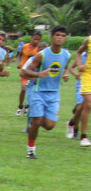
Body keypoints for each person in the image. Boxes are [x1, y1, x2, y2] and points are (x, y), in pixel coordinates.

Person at [21, 25, 70, 158]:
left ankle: (34, 118)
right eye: (57, 35)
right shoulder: (41, 55)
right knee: (37, 121)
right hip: (39, 91)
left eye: (63, 36)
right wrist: (39, 75)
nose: (60, 38)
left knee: (49, 125)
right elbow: (25, 71)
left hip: (54, 94)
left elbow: (65, 67)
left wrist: (65, 74)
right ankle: (31, 149)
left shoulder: (66, 54)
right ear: (52, 37)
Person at [65, 43, 89, 145]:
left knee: (84, 106)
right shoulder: (83, 55)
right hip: (82, 83)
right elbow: (71, 68)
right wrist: (76, 73)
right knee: (82, 106)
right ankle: (79, 133)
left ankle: (71, 122)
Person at [16, 31, 44, 115]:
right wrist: (19, 63)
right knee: (24, 88)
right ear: (32, 38)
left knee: (32, 91)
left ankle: (27, 106)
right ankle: (20, 106)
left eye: (38, 40)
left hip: (34, 73)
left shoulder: (39, 49)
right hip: (25, 71)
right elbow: (19, 55)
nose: (36, 41)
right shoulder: (25, 46)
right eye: (35, 39)